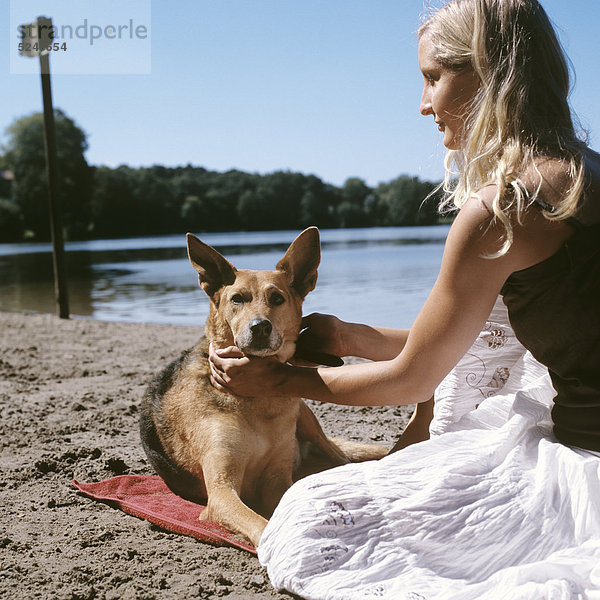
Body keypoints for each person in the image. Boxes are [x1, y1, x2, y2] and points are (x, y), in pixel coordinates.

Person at [209, 0, 600, 597]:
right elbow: (489, 343)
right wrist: (351, 340)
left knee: (316, 520)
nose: (423, 104)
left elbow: (413, 381)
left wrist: (281, 383)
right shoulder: (587, 174)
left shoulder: (501, 209)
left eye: (432, 77)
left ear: (492, 73)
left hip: (588, 461)